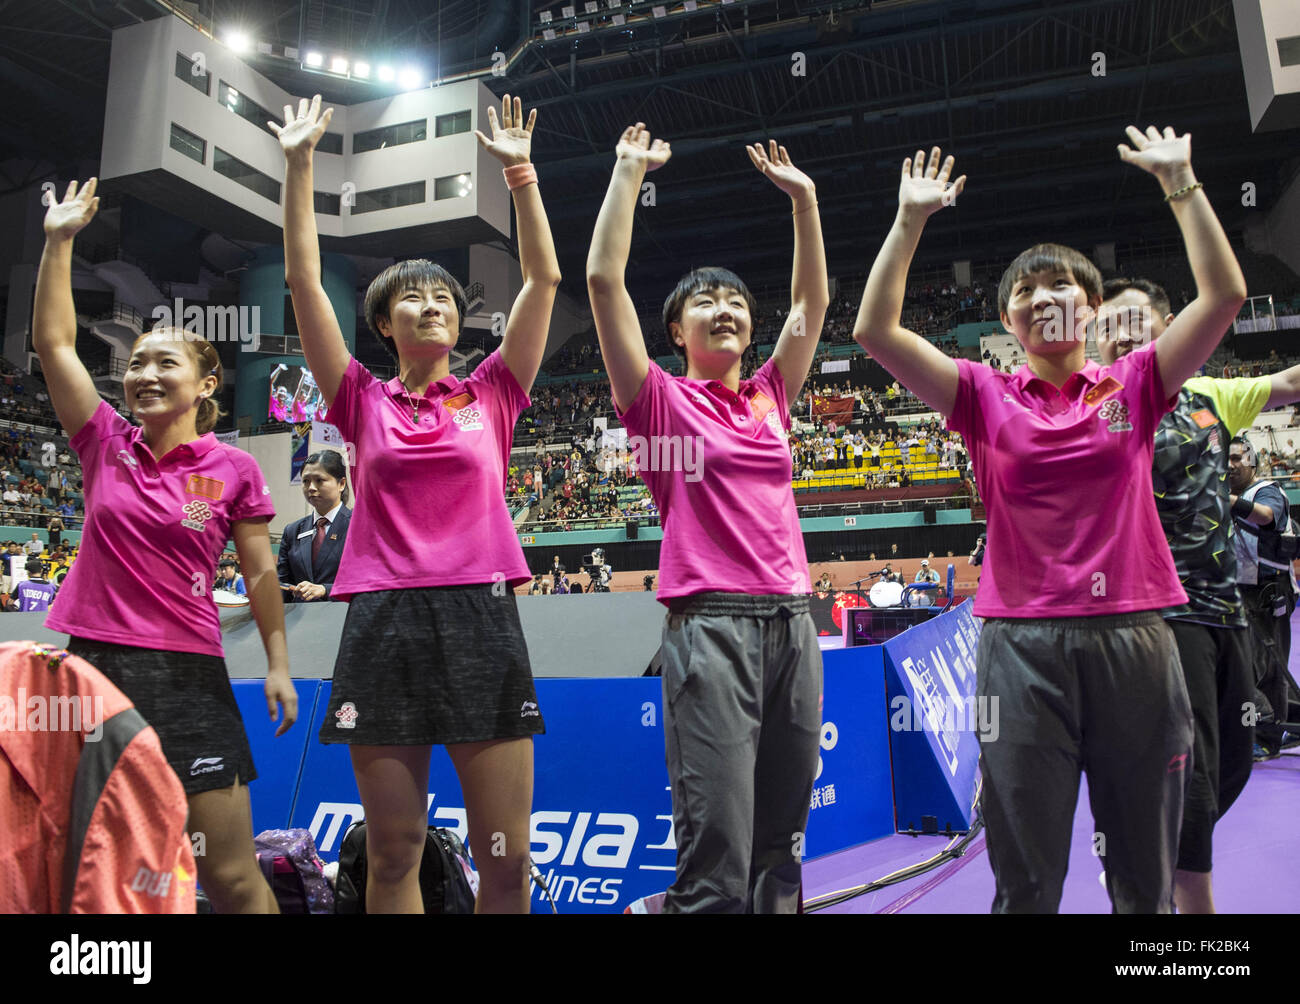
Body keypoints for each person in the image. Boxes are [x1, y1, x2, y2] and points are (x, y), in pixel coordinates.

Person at [852, 126, 1246, 913]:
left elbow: (1224, 296)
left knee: (1144, 876)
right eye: (1024, 292)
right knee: (1026, 879)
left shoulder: (1136, 383)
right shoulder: (980, 395)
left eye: (1061, 285)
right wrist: (910, 220)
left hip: (1136, 637)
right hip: (1018, 649)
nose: (1043, 298)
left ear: (1093, 307)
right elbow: (875, 332)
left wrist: (1181, 183)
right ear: (1008, 321)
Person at [277, 93, 560, 913]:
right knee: (393, 853)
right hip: (386, 623)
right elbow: (302, 277)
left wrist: (520, 171)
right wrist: (300, 164)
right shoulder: (360, 399)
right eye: (412, 298)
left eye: (443, 296)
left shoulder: (495, 391)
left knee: (504, 858)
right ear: (383, 323)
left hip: (480, 616)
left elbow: (543, 276)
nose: (433, 305)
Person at [34, 177, 297, 914]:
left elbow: (261, 570)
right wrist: (59, 242)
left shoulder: (233, 468)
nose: (143, 374)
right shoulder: (102, 443)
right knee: (83, 864)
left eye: (164, 363)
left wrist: (278, 664)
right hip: (92, 669)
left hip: (189, 677)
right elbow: (54, 342)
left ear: (206, 383)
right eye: (137, 363)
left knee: (231, 876)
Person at [588, 125, 828, 912]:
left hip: (794, 620)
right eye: (704, 302)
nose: (723, 309)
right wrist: (628, 174)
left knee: (781, 847)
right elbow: (601, 281)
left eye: (734, 302)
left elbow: (811, 303)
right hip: (711, 625)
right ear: (676, 332)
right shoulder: (657, 400)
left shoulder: (770, 396)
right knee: (717, 848)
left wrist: (805, 202)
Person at [1096, 276, 1300, 913]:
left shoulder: (1209, 393)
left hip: (1226, 612)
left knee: (1237, 757)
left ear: (1168, 327)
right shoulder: (1089, 405)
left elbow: (1290, 384)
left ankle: (1142, 855)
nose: (1122, 333)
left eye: (1135, 321)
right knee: (1193, 776)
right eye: (1108, 324)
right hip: (1153, 615)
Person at [1228, 435, 1298, 761]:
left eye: (1238, 459)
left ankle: (1267, 737)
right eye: (1226, 459)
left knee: (1270, 669)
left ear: (1252, 461)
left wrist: (1228, 502)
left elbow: (1266, 516)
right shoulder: (1230, 494)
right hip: (1240, 590)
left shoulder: (1268, 489)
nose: (1231, 465)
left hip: (1270, 592)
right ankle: (1257, 727)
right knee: (1241, 665)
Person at [278, 449, 352, 601]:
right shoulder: (292, 531)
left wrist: (326, 589)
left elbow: (366, 581)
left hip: (342, 618)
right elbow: (282, 583)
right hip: (299, 619)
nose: (311, 487)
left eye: (319, 480)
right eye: (306, 481)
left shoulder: (357, 526)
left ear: (341, 484)